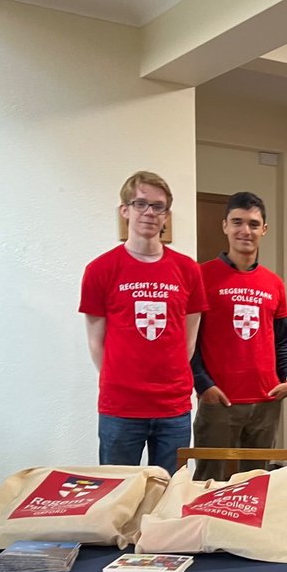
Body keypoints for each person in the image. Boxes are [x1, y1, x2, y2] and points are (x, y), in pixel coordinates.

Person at [79, 171, 207, 474]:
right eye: (140, 204)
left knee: (169, 492)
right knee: (118, 493)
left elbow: (188, 340)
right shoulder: (100, 269)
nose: (149, 212)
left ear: (167, 215)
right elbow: (96, 342)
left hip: (173, 406)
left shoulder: (188, 270)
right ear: (125, 211)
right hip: (121, 406)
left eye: (158, 206)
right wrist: (124, 379)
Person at [191, 192, 287, 480]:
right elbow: (188, 343)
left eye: (253, 223)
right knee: (207, 481)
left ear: (264, 229)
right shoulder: (201, 276)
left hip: (265, 400)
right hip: (219, 401)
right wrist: (203, 385)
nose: (245, 231)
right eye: (237, 222)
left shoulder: (274, 283)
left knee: (255, 484)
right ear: (224, 225)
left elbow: (282, 340)